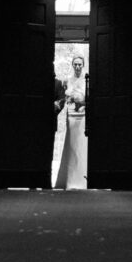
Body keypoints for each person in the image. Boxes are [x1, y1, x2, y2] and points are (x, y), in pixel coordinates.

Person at [54, 55, 88, 189]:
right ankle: (69, 178)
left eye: (80, 64)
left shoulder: (86, 80)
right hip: (71, 115)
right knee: (71, 144)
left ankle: (82, 179)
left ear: (83, 65)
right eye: (75, 64)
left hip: (83, 114)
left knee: (82, 144)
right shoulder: (67, 81)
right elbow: (65, 98)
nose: (78, 66)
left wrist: (82, 101)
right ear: (72, 65)